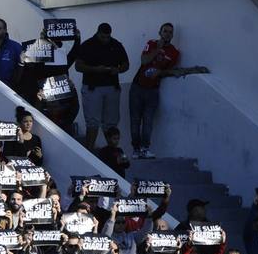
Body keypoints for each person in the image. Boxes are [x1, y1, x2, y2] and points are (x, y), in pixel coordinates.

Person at [129, 23, 205, 159]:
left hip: (153, 90)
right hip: (138, 87)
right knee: (135, 120)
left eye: (170, 32)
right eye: (165, 31)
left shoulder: (174, 52)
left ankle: (145, 148)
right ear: (160, 32)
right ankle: (136, 149)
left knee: (148, 120)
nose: (167, 34)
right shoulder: (151, 43)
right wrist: (157, 50)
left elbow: (168, 71)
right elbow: (144, 60)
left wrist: (160, 72)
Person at [69, 23, 129, 151]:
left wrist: (117, 70)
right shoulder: (87, 45)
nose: (105, 39)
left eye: (107, 37)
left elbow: (126, 64)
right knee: (93, 123)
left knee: (111, 124)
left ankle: (112, 153)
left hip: (111, 87)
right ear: (98, 33)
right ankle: (89, 153)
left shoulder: (116, 44)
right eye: (103, 37)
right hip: (92, 88)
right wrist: (96, 70)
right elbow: (78, 66)